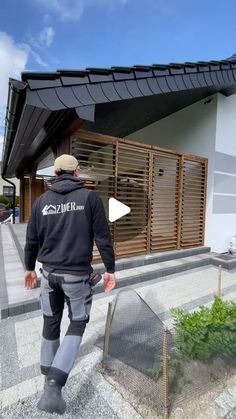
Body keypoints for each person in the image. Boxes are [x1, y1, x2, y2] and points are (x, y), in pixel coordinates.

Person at [24, 154, 116, 414]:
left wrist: (29, 268)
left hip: (49, 275)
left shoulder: (41, 202)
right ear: (76, 172)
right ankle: (54, 385)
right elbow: (102, 238)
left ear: (55, 173)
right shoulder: (90, 199)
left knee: (50, 321)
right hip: (76, 277)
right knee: (78, 321)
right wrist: (110, 270)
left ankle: (47, 376)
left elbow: (32, 240)